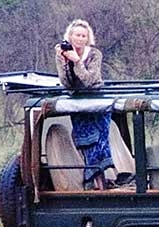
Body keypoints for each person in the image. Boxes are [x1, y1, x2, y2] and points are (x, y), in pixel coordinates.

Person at [54, 19, 112, 190]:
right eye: (77, 35)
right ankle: (93, 182)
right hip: (77, 102)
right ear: (70, 37)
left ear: (88, 39)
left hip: (96, 100)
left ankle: (102, 183)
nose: (80, 39)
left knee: (100, 141)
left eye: (83, 36)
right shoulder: (64, 54)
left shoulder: (95, 54)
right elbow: (66, 83)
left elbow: (88, 80)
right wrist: (65, 62)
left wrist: (77, 61)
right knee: (85, 141)